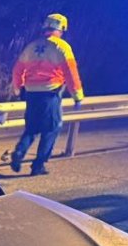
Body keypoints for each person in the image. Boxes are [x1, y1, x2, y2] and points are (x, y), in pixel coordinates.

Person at [9, 13, 85, 176]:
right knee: (51, 129)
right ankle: (38, 165)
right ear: (62, 28)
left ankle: (19, 152)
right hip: (50, 94)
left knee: (31, 128)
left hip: (31, 94)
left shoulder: (32, 46)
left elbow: (17, 70)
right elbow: (71, 73)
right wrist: (77, 96)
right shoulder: (62, 47)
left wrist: (18, 89)